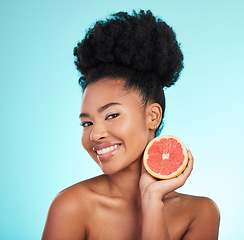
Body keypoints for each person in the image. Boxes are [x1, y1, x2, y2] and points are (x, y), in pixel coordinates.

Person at [42, 10, 220, 240]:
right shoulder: (71, 206)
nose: (95, 134)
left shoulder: (200, 213)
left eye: (111, 115)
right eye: (87, 123)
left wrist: (152, 200)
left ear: (153, 116)